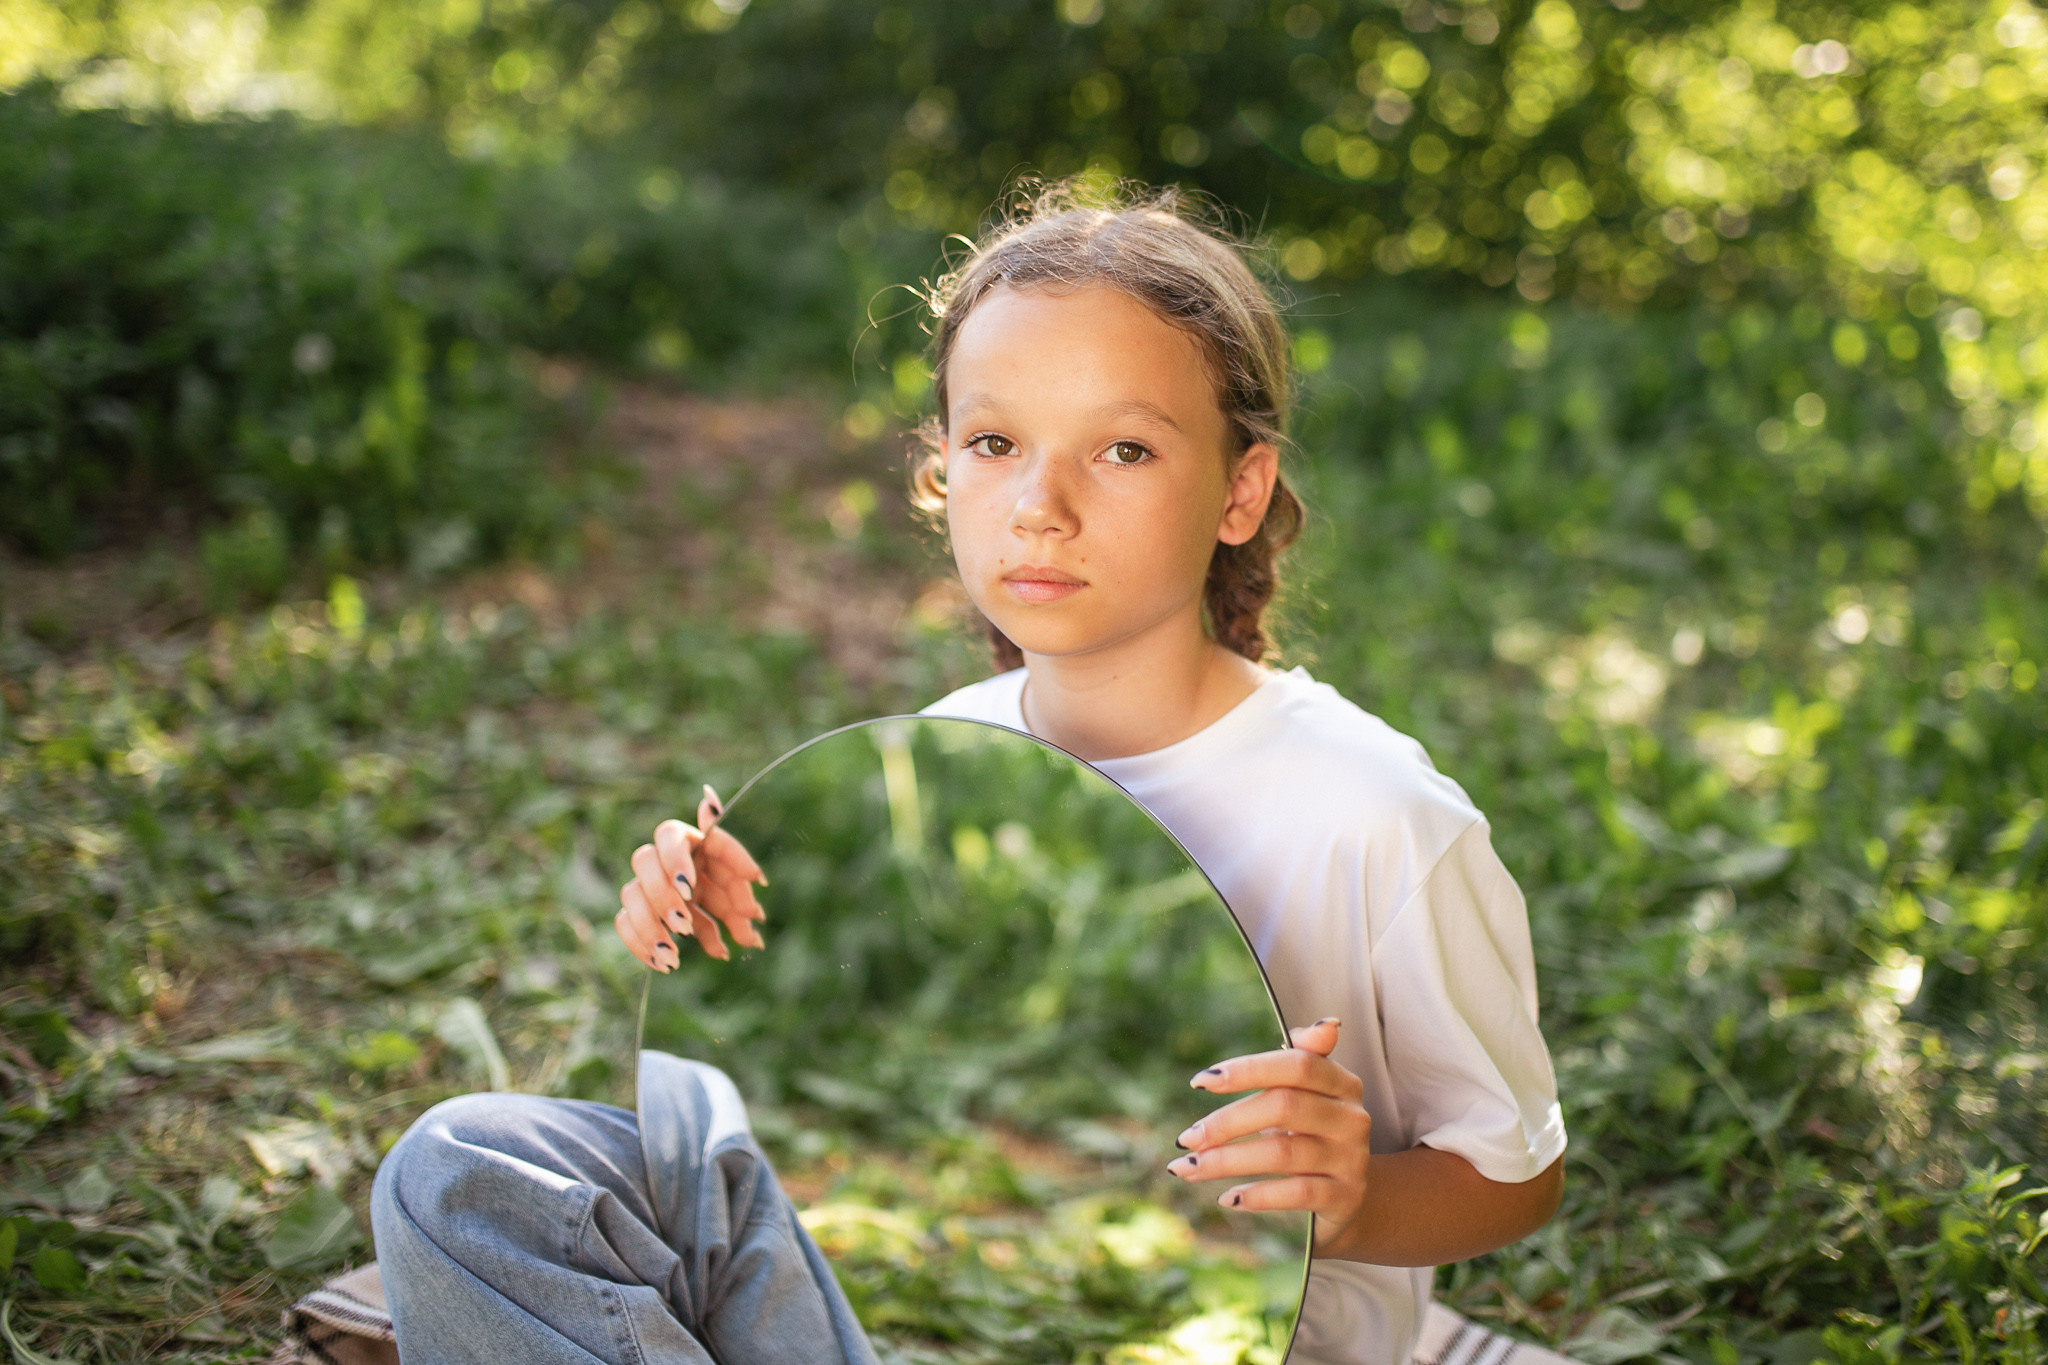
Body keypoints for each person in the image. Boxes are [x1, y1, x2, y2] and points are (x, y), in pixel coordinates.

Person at [375, 180, 1564, 1365]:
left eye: (1123, 449)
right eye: (994, 443)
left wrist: (1355, 1196)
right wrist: (707, 939)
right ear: (941, 467)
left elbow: (1512, 1179)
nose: (1039, 507)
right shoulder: (950, 746)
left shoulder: (1375, 815)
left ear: (1238, 492)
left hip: (1217, 1339)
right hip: (919, 1314)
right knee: (460, 1171)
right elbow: (863, 1084)